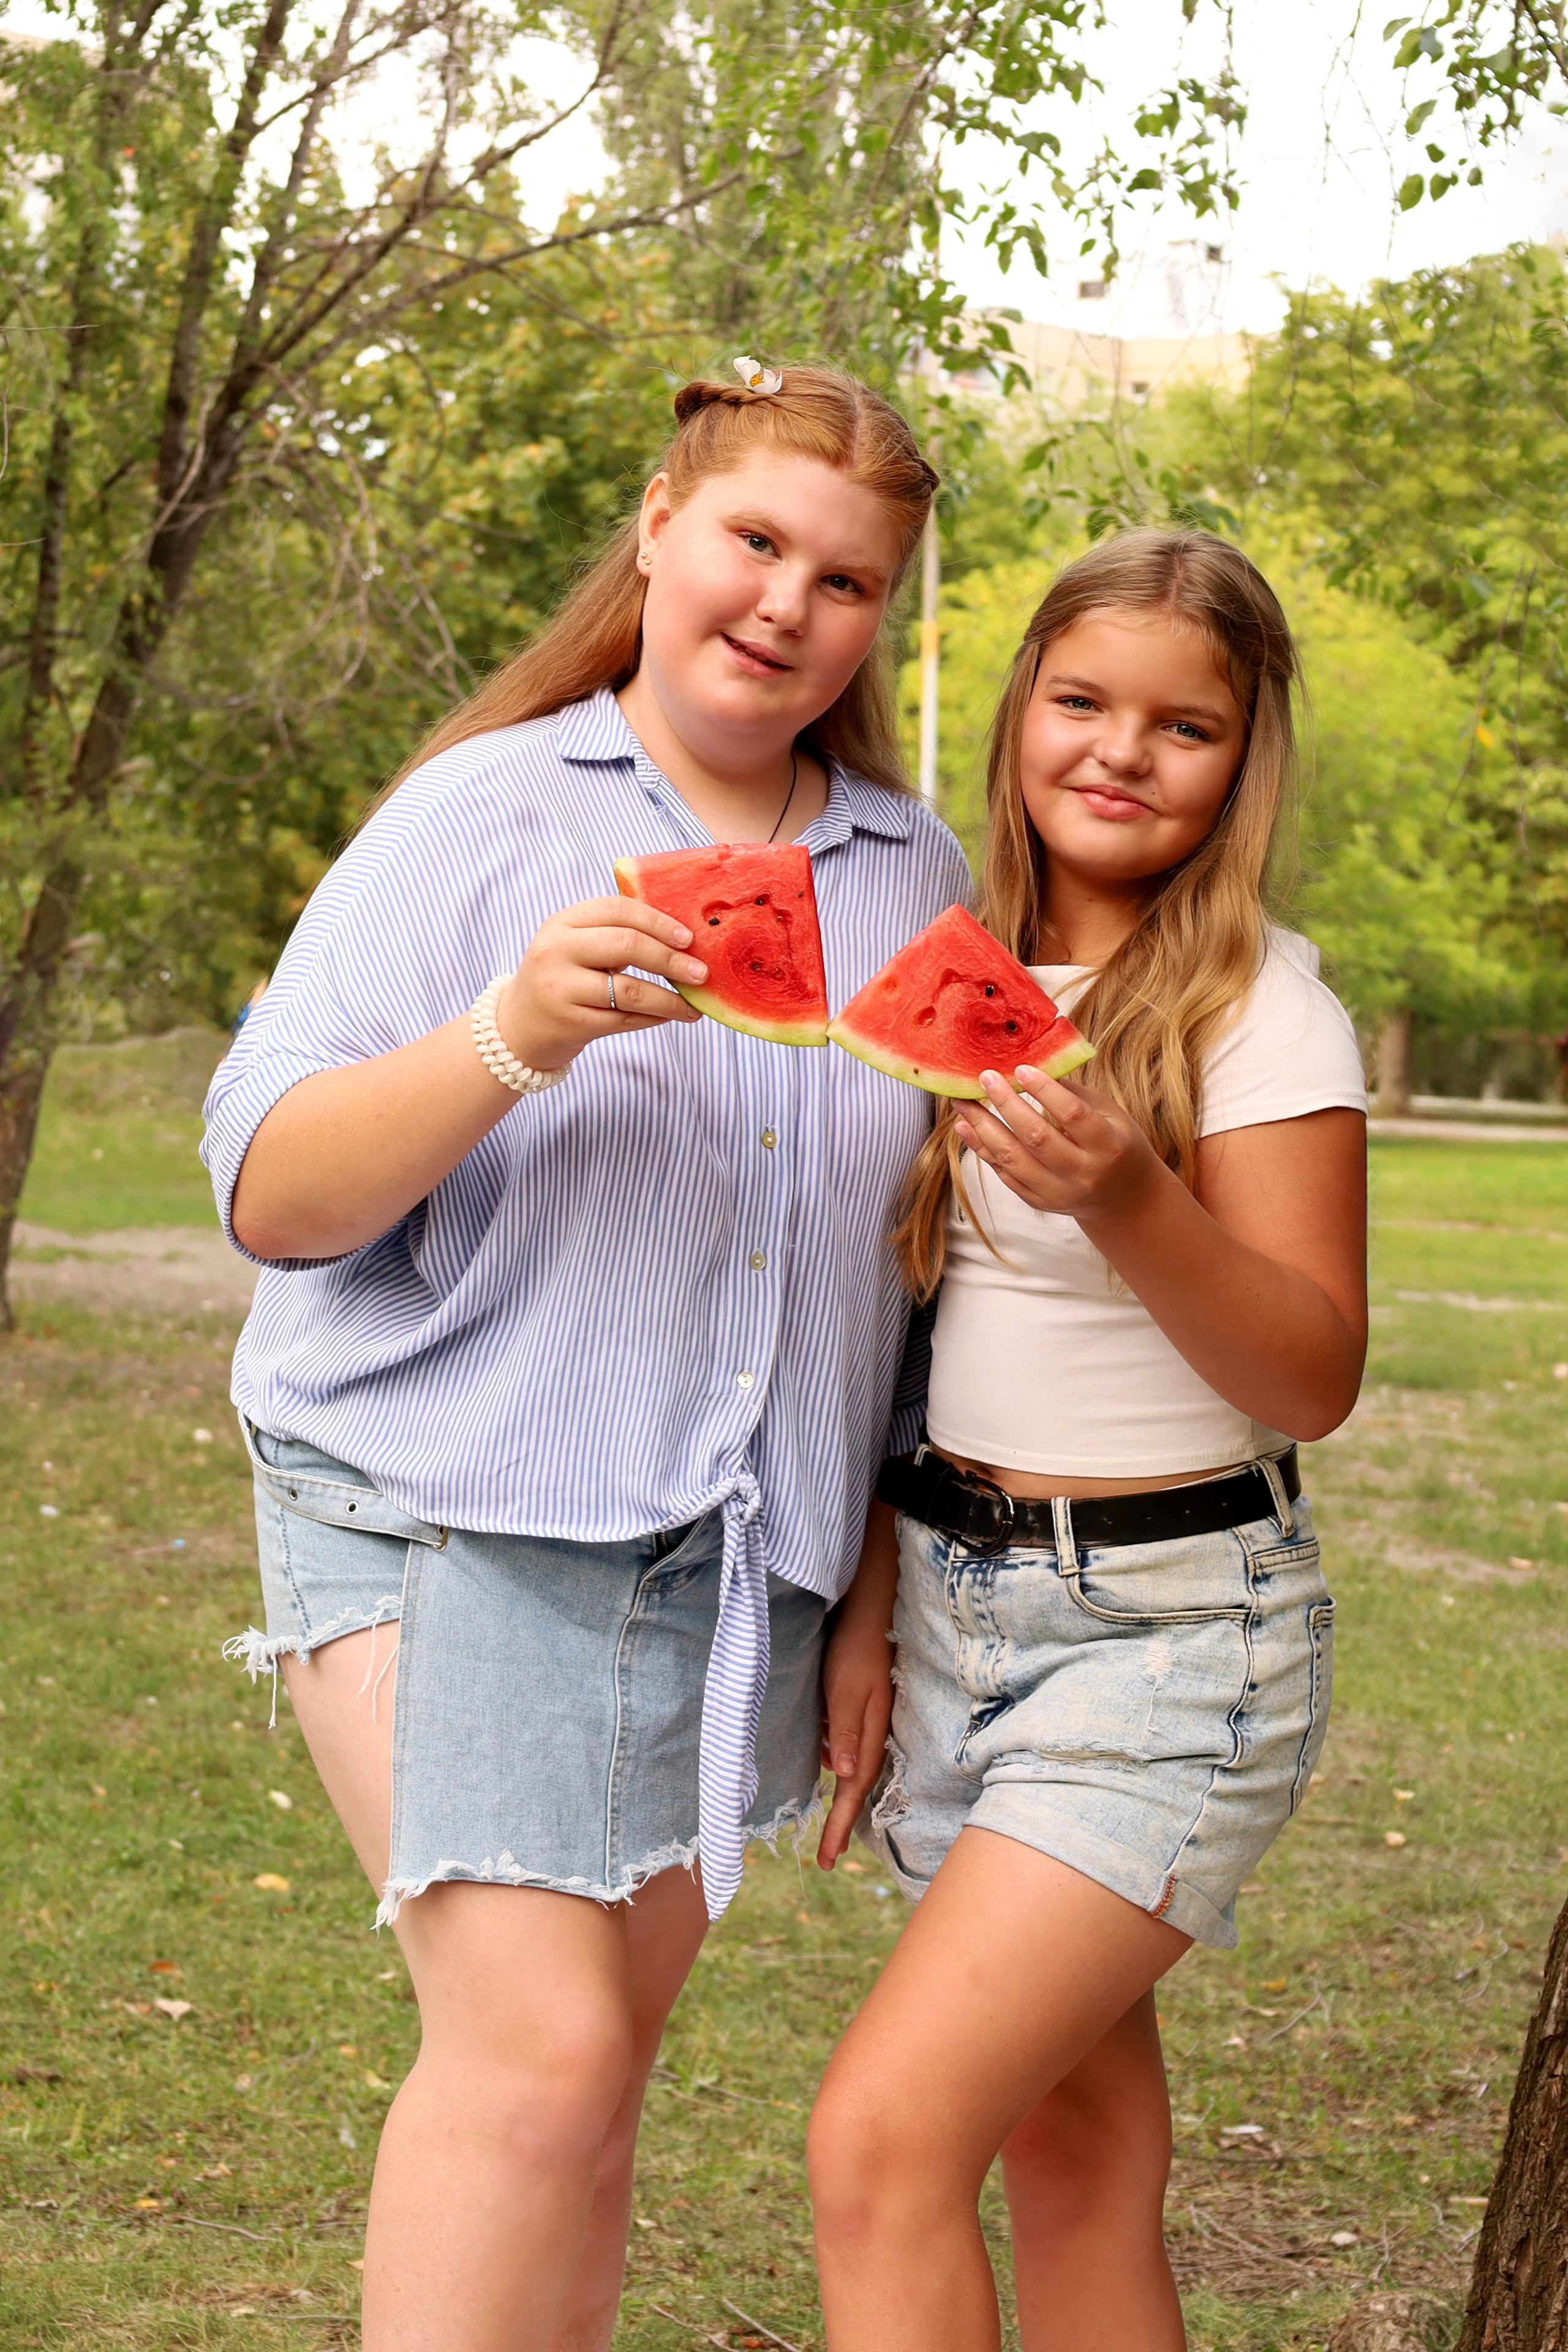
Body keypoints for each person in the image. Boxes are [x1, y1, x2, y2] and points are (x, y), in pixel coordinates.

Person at [202, 361, 967, 2352]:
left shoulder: (912, 876)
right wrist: (517, 1031)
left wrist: (867, 1579)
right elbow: (272, 1190)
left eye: (850, 578)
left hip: (737, 1582)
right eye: (757, 541)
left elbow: (910, 1280)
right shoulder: (490, 806)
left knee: (591, 2102)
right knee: (534, 2068)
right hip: (438, 1508)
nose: (792, 602)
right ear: (656, 528)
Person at [807, 529, 1369, 2350]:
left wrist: (1134, 1193)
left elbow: (1312, 1373)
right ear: (1021, 716)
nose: (1121, 753)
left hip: (1166, 1638)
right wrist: (880, 1604)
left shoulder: (1257, 1007)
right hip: (969, 1616)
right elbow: (922, 1337)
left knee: (879, 2150)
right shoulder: (960, 968)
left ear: (1242, 762)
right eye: (1082, 702)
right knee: (1075, 2148)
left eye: (1182, 726)